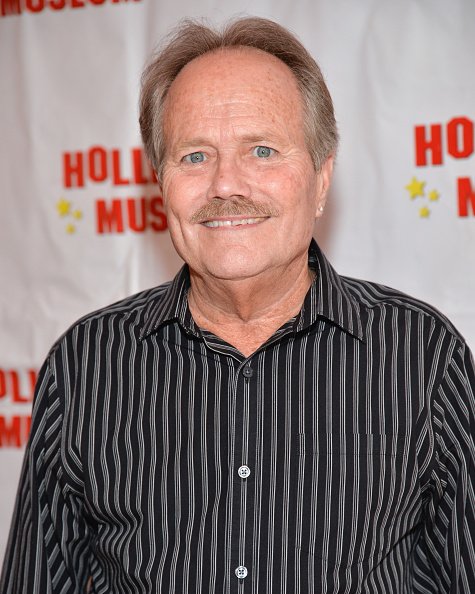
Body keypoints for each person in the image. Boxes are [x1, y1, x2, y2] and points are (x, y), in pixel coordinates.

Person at [1, 16, 474, 594]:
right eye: (194, 157)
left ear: (321, 178)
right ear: (160, 183)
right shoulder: (85, 366)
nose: (227, 184)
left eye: (263, 150)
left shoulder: (422, 355)